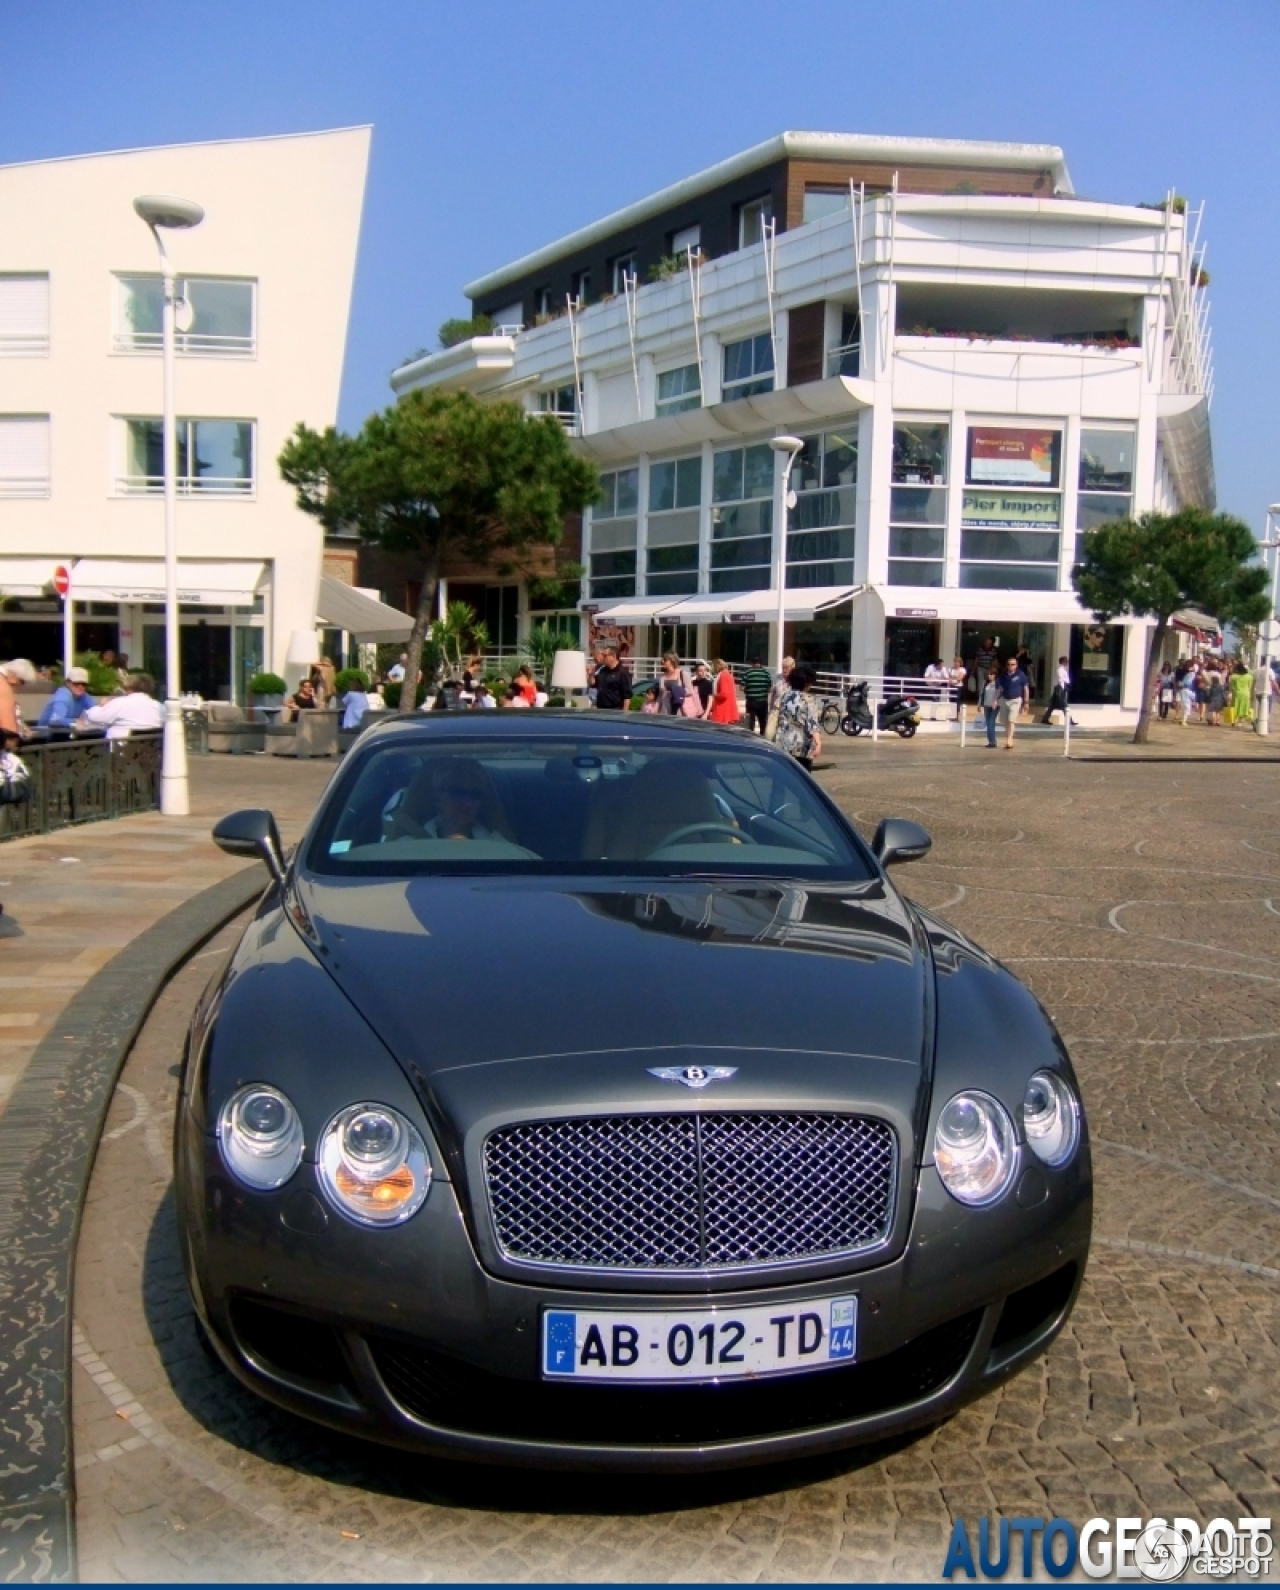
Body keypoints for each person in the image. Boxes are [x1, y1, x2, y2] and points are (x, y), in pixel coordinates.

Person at [78, 674, 164, 739]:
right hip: (151, 754)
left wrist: (100, 705)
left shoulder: (121, 703)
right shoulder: (160, 707)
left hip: (119, 754)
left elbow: (95, 717)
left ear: (130, 688)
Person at [774, 665, 823, 771]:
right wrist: (818, 743)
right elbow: (812, 724)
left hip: (783, 744)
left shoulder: (785, 696)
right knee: (802, 781)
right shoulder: (809, 700)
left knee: (781, 778)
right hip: (802, 748)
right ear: (806, 683)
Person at [37, 666, 95, 730]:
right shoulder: (62, 697)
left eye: (84, 684)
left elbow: (96, 712)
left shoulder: (84, 696)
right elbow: (55, 721)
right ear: (68, 683)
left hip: (65, 734)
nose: (80, 686)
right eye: (76, 683)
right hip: (46, 736)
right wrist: (75, 721)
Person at [995, 654, 1030, 749]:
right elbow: (999, 689)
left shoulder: (1021, 675)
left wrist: (1026, 702)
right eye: (1009, 664)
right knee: (1005, 722)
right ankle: (1008, 737)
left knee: (1011, 720)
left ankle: (1010, 739)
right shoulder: (1003, 675)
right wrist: (995, 700)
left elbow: (1026, 688)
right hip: (1005, 699)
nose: (1010, 666)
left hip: (1016, 700)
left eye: (1013, 664)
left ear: (1016, 665)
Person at [0, 659, 35, 736]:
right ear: (14, 674)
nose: (18, 685)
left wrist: (22, 728)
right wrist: (12, 737)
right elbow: (7, 720)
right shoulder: (4, 687)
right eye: (22, 681)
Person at [592, 646, 632, 710]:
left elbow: (627, 696)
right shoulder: (603, 670)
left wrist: (624, 713)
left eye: (604, 655)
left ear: (613, 656)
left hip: (615, 710)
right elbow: (593, 684)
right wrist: (591, 674)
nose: (602, 658)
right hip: (600, 708)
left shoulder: (622, 672)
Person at [741, 655, 773, 735]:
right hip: (762, 702)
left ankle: (750, 737)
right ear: (761, 664)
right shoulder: (766, 673)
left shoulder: (748, 673)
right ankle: (762, 737)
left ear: (752, 664)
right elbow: (770, 689)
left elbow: (742, 687)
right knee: (763, 722)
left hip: (751, 701)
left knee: (750, 722)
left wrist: (748, 689)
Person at [1042, 657, 1076, 726]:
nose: (1067, 663)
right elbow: (1061, 679)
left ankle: (1045, 719)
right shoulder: (1060, 669)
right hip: (1060, 689)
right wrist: (1063, 688)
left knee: (1052, 706)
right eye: (1066, 661)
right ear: (1063, 662)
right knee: (1065, 705)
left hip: (1060, 689)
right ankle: (1070, 720)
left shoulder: (1063, 669)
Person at [707, 659, 740, 724]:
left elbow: (724, 694)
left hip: (722, 709)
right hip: (726, 709)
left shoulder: (723, 676)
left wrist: (714, 695)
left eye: (712, 666)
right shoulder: (727, 674)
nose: (711, 668)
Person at [980, 666, 1001, 748]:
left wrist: (996, 702)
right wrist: (979, 704)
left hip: (994, 705)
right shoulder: (985, 683)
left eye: (992, 674)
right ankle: (991, 741)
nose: (990, 676)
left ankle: (992, 742)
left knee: (991, 723)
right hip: (986, 705)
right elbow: (982, 694)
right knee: (988, 723)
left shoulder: (998, 684)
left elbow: (999, 694)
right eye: (989, 674)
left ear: (995, 675)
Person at [1230, 662, 1253, 727]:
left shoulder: (1233, 677)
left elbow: (1232, 687)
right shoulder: (1249, 677)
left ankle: (1234, 720)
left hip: (1237, 694)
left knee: (1235, 707)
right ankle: (1241, 721)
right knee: (1244, 708)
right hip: (1246, 694)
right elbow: (1250, 686)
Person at [948, 656, 967, 722]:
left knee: (957, 701)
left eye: (957, 662)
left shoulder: (962, 669)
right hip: (951, 687)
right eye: (955, 661)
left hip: (958, 687)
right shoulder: (951, 669)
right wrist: (951, 681)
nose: (956, 663)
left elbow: (960, 678)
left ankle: (957, 716)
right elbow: (949, 677)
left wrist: (954, 681)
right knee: (951, 700)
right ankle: (952, 715)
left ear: (960, 663)